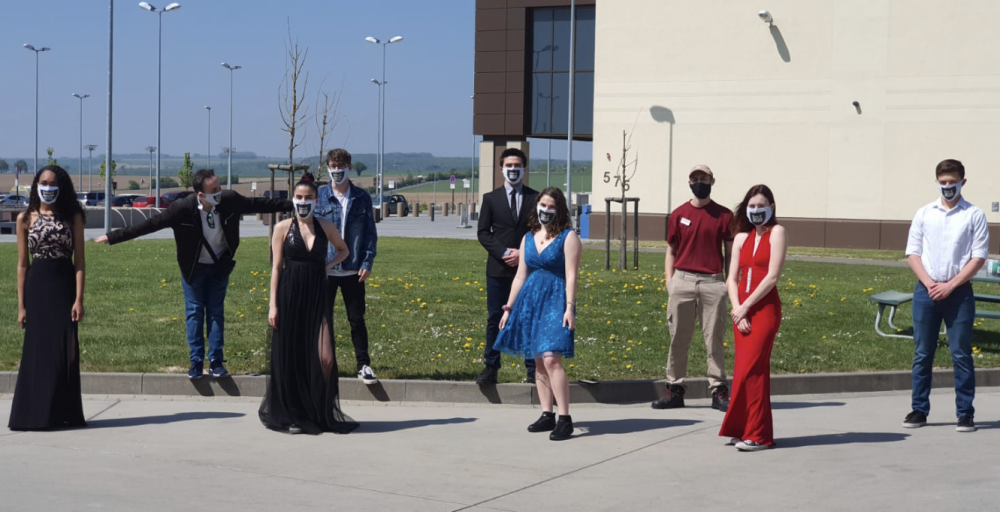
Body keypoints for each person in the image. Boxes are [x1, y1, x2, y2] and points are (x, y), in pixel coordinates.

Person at [96, 169, 292, 379]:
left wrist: (294, 205)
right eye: (214, 190)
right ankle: (196, 361)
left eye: (219, 187)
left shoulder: (229, 200)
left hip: (219, 265)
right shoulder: (182, 208)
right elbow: (151, 225)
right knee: (194, 312)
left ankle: (216, 360)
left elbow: (260, 204)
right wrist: (113, 236)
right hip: (193, 268)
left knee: (216, 312)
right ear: (200, 194)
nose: (219, 192)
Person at [259, 173, 358, 435]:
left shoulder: (325, 225)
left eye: (309, 197)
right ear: (293, 199)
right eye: (299, 197)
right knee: (291, 356)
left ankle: (320, 411)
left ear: (317, 199)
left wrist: (326, 266)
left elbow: (344, 250)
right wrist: (273, 305)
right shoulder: (282, 227)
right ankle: (292, 413)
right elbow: (276, 268)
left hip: (317, 295)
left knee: (325, 357)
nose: (304, 202)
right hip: (290, 294)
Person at [902, 159, 989, 433]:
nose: (948, 187)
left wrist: (950, 286)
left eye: (953, 182)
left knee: (961, 353)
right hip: (926, 291)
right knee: (922, 352)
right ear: (937, 182)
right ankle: (919, 410)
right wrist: (929, 284)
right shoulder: (925, 213)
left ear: (963, 182)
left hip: (959, 293)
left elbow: (978, 257)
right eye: (943, 182)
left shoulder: (973, 215)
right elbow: (912, 253)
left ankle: (965, 413)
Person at [494, 187, 581, 441]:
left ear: (560, 210)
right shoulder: (528, 237)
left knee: (552, 358)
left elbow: (571, 275)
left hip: (556, 299)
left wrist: (570, 307)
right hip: (531, 301)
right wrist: (509, 308)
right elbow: (521, 275)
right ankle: (547, 413)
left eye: (551, 206)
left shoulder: (569, 237)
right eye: (543, 205)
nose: (546, 210)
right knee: (538, 360)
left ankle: (565, 418)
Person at [9, 165, 87, 431]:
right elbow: (22, 265)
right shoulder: (25, 218)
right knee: (38, 351)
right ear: (36, 185)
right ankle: (36, 414)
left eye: (54, 183)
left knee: (65, 349)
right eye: (44, 182)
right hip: (38, 287)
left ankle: (63, 412)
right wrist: (21, 306)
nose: (48, 187)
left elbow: (80, 262)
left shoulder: (73, 216)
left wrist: (79, 299)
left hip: (64, 285)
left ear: (61, 187)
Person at [652, 165, 734, 412]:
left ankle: (718, 390)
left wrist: (728, 282)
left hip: (713, 282)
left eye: (704, 178)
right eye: (695, 179)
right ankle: (674, 389)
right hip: (683, 281)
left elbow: (730, 253)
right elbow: (671, 251)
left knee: (714, 339)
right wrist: (670, 281)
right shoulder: (678, 214)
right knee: (678, 337)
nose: (699, 182)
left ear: (712, 181)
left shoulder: (724, 216)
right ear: (689, 183)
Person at [718, 184, 786, 451]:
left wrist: (745, 307)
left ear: (772, 208)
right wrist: (737, 310)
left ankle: (759, 435)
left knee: (755, 371)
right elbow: (731, 278)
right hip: (741, 311)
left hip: (764, 310)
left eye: (761, 205)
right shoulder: (741, 238)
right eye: (753, 206)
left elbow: (772, 277)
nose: (757, 210)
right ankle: (743, 428)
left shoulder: (777, 232)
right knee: (742, 372)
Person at [315, 149, 380, 385]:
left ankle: (363, 365)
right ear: (327, 168)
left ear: (349, 167)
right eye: (333, 165)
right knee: (323, 320)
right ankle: (323, 364)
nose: (337, 169)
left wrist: (367, 262)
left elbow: (370, 234)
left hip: (353, 270)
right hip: (326, 271)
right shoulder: (319, 196)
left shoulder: (361, 197)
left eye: (341, 165)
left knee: (356, 320)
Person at [476, 148, 538, 385]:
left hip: (528, 268)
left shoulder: (536, 198)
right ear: (502, 168)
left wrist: (523, 253)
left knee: (528, 317)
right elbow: (483, 232)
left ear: (524, 168)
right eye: (509, 165)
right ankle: (491, 367)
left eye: (517, 165)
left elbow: (541, 233)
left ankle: (533, 369)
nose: (513, 169)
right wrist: (504, 253)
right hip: (498, 270)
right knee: (495, 318)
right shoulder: (491, 199)